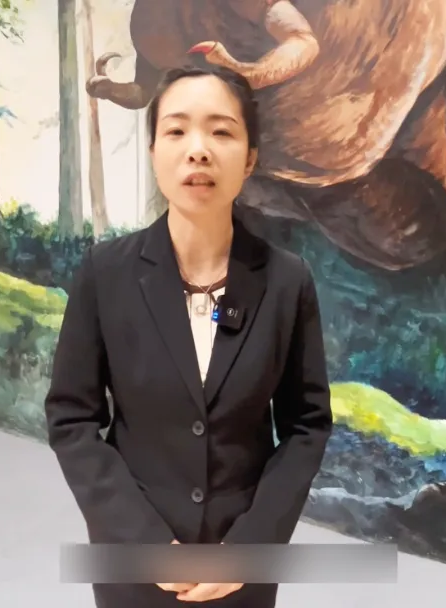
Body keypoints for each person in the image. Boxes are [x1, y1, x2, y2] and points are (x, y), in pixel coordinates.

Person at [45, 64, 333, 607]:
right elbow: (72, 418)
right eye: (177, 130)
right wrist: (144, 540)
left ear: (249, 158)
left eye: (221, 131)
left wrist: (252, 546)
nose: (198, 150)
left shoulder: (287, 281)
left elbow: (306, 427)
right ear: (154, 151)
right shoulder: (106, 273)